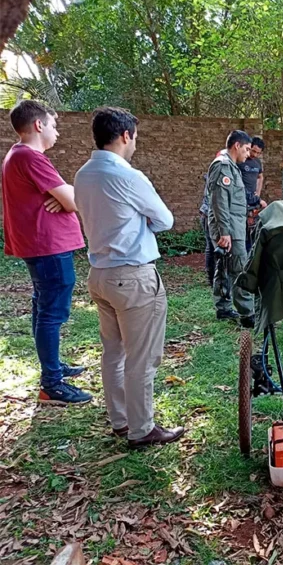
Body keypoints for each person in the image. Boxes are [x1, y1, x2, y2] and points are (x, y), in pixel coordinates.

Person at [74, 106, 184, 447]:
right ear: (125, 136)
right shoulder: (128, 176)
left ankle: (121, 420)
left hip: (100, 274)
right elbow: (165, 220)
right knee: (141, 358)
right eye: (135, 137)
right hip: (133, 277)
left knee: (114, 353)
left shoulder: (83, 174)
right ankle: (142, 429)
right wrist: (141, 220)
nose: (135, 143)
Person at [1, 100, 91, 406]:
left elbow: (68, 198)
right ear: (38, 125)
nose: (57, 132)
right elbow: (75, 200)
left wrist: (64, 197)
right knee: (51, 312)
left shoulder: (18, 155)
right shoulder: (30, 157)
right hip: (48, 245)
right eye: (54, 125)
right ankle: (52, 383)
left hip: (41, 245)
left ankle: (53, 367)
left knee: (43, 307)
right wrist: (66, 197)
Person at [206, 130, 255, 328]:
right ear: (237, 145)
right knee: (239, 268)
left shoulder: (231, 167)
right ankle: (247, 314)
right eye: (247, 149)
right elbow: (220, 202)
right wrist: (225, 232)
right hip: (229, 229)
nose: (248, 154)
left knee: (224, 267)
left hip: (232, 227)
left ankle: (223, 307)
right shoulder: (223, 166)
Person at [238, 137, 268, 251]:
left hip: (253, 201)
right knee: (242, 232)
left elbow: (260, 177)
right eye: (253, 151)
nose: (254, 154)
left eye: (258, 153)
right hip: (241, 201)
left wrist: (257, 194)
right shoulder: (241, 160)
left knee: (252, 231)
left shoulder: (257, 162)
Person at [199, 173, 215, 287]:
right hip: (209, 215)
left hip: (209, 214)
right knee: (211, 247)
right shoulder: (215, 178)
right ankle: (211, 278)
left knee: (212, 247)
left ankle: (214, 277)